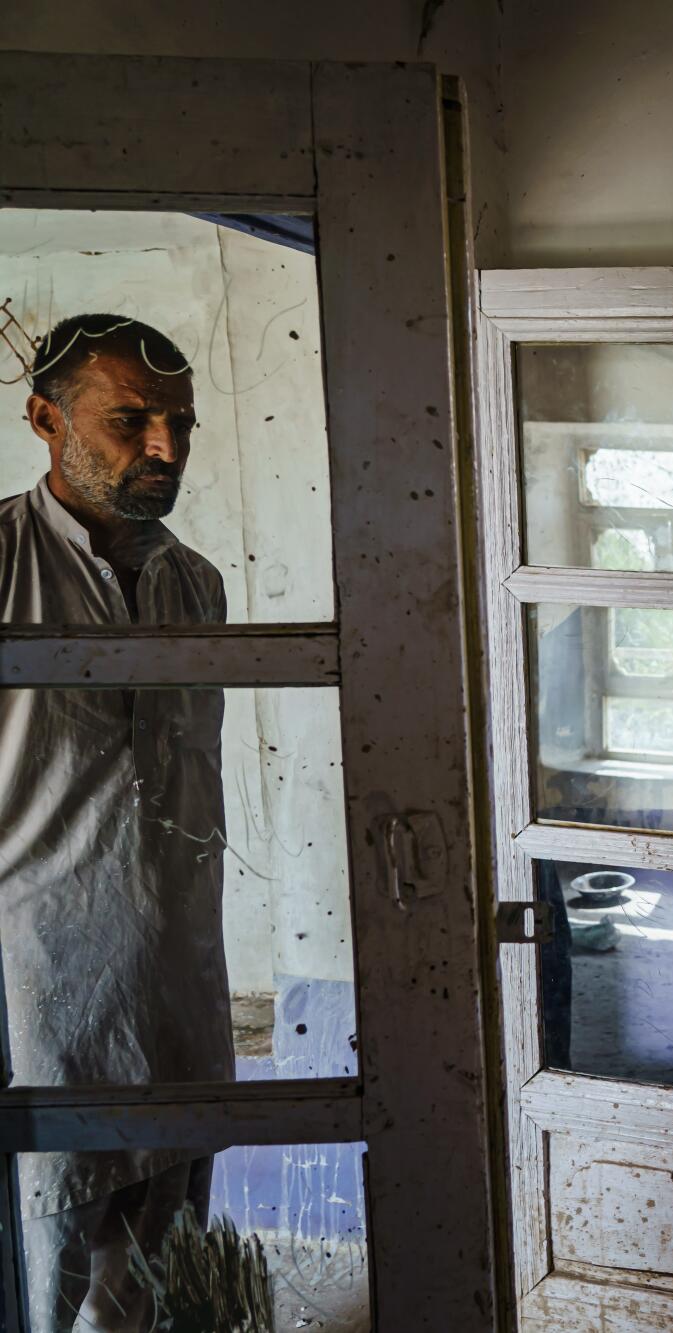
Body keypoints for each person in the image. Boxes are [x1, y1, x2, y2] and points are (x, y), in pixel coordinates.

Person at [0, 314, 231, 1332]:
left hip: (180, 980)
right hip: (39, 988)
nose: (165, 449)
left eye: (179, 421)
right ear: (46, 418)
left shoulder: (195, 585)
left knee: (160, 1269)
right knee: (42, 1264)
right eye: (130, 419)